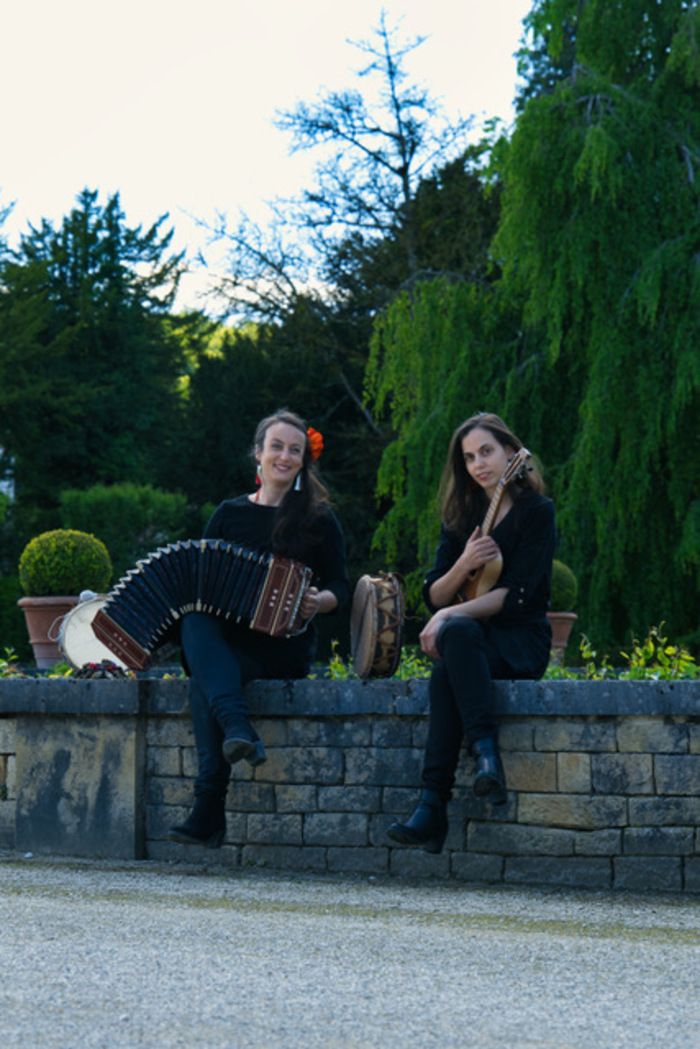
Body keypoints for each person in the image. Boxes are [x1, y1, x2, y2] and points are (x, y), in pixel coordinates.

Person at [169, 409, 349, 848]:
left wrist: (318, 601)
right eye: (277, 447)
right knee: (195, 619)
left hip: (282, 647)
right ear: (258, 452)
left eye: (294, 450)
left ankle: (209, 807)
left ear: (303, 460)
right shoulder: (228, 515)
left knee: (206, 680)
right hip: (229, 644)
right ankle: (236, 729)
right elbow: (199, 582)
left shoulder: (319, 519)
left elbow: (342, 585)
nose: (285, 456)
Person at [387, 412, 556, 854]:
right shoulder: (462, 517)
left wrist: (448, 618)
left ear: (508, 453)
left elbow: (517, 597)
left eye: (486, 452)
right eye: (468, 457)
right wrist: (463, 564)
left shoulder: (537, 513)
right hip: (472, 644)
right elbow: (435, 593)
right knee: (454, 651)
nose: (479, 464)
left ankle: (432, 805)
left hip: (520, 641)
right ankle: (483, 757)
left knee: (452, 648)